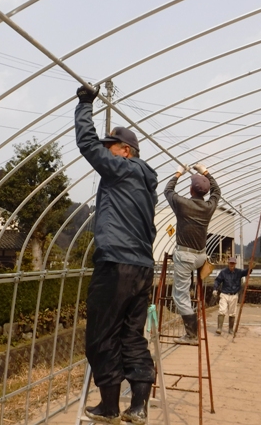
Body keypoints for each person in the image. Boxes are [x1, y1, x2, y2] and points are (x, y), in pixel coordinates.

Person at [75, 84, 158, 425]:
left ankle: (110, 405)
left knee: (100, 335)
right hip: (142, 268)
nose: (106, 154)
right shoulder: (146, 182)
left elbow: (87, 144)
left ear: (126, 151)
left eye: (112, 148)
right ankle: (137, 406)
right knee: (131, 336)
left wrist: (84, 104)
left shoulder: (121, 169)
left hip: (116, 265)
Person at [164, 162, 221, 345]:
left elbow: (168, 190)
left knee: (179, 295)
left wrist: (178, 173)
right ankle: (191, 296)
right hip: (201, 257)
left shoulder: (182, 204)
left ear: (191, 190)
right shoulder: (208, 207)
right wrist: (205, 172)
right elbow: (217, 191)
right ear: (204, 192)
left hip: (186, 256)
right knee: (185, 288)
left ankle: (191, 335)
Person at [213, 257, 250, 335]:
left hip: (234, 295)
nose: (231, 265)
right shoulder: (223, 272)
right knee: (222, 310)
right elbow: (217, 280)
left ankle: (230, 329)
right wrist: (215, 289)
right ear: (228, 263)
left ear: (235, 264)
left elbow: (247, 272)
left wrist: (251, 267)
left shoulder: (238, 272)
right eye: (230, 263)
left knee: (232, 313)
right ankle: (219, 328)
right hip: (224, 294)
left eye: (233, 263)